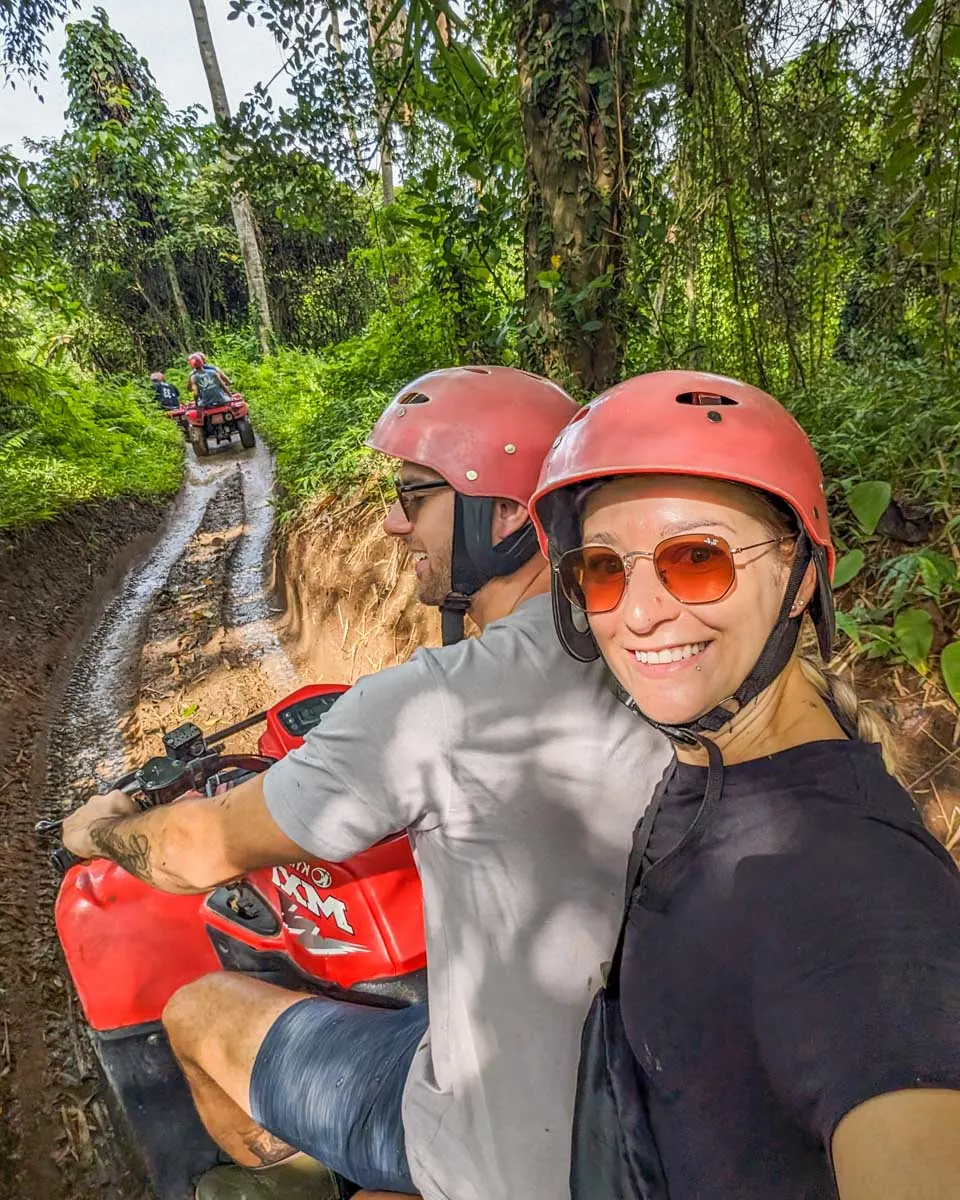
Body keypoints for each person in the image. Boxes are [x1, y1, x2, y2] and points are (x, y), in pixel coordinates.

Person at [61, 365, 671, 1200]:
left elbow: (194, 852)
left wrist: (100, 827)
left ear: (504, 515)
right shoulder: (654, 659)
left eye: (414, 494)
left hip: (492, 1144)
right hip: (634, 1100)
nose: (390, 522)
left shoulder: (430, 707)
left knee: (199, 1012)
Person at [529, 369, 960, 1200]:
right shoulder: (711, 762)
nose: (639, 615)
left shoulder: (860, 904)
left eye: (696, 559)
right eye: (605, 570)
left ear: (801, 576)